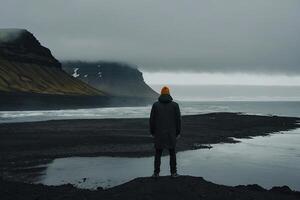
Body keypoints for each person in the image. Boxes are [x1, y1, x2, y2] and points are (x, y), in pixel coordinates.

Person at [149, 86, 181, 178]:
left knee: (158, 153)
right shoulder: (175, 105)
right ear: (169, 94)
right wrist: (178, 133)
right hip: (171, 134)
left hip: (159, 134)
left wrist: (152, 132)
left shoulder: (155, 105)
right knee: (172, 153)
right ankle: (173, 173)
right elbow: (178, 120)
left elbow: (152, 120)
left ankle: (156, 173)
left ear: (161, 94)